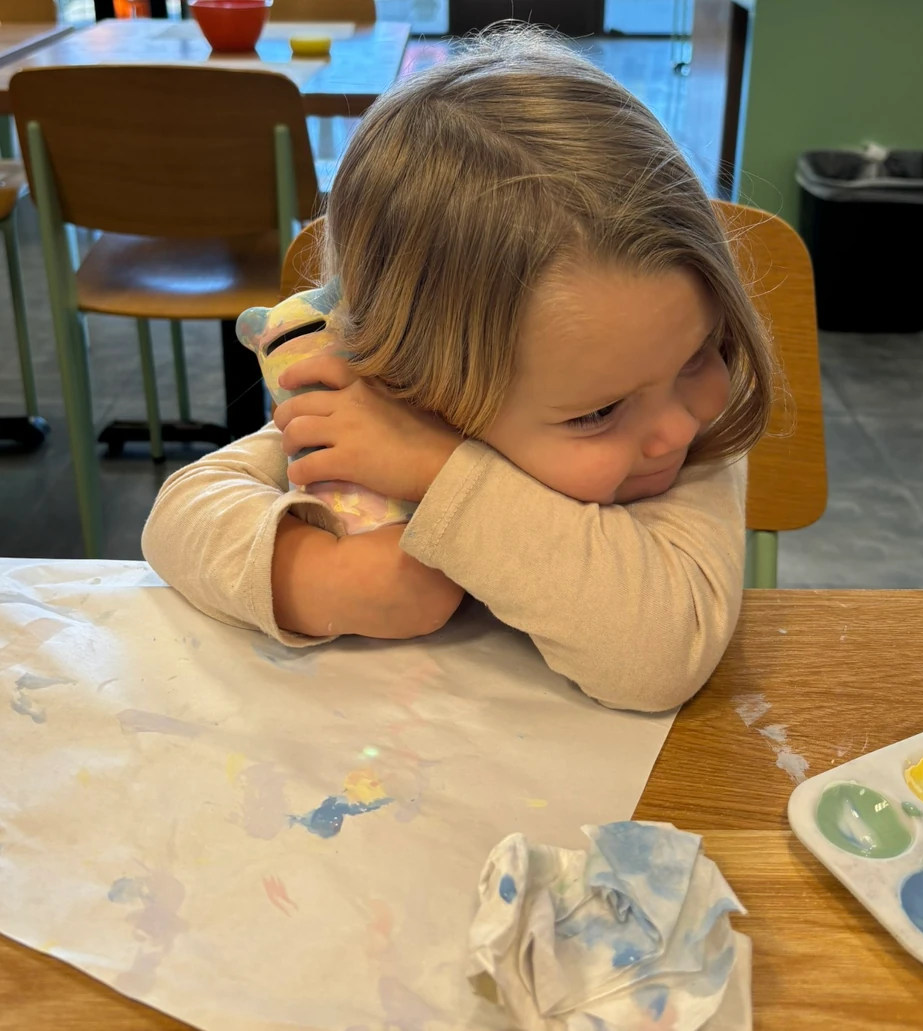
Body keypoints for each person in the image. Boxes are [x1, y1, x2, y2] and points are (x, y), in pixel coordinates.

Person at [142, 28, 776, 713]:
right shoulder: (384, 413)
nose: (679, 419)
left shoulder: (690, 454)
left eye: (699, 354)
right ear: (420, 389)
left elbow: (658, 657)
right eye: (598, 412)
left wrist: (440, 473)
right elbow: (179, 516)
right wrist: (318, 574)